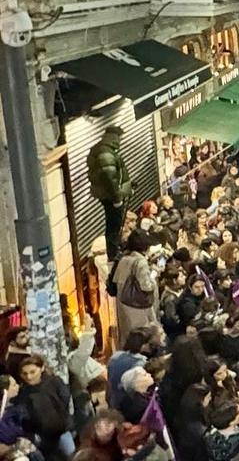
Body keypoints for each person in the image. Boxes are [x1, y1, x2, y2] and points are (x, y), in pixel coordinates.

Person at [87, 126, 131, 260]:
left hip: (109, 194)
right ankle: (113, 253)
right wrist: (117, 198)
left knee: (114, 223)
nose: (120, 140)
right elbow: (109, 177)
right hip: (110, 196)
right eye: (119, 137)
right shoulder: (105, 153)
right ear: (113, 137)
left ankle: (115, 249)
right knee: (114, 223)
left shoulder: (103, 150)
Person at [112, 232, 157, 343]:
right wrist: (153, 276)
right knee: (142, 336)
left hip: (122, 303)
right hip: (137, 306)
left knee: (126, 336)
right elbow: (146, 286)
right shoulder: (141, 262)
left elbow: (116, 280)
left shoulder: (123, 259)